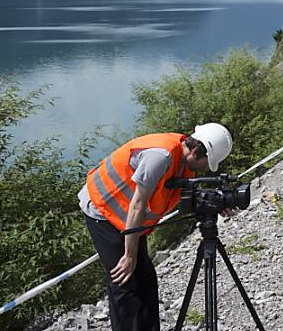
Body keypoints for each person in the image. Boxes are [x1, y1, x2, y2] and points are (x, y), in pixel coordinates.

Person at [78, 123, 233, 331]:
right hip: (102, 210)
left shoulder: (185, 163)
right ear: (196, 150)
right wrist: (130, 255)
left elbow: (177, 195)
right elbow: (137, 204)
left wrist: (216, 203)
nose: (206, 167)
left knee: (147, 279)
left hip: (129, 218)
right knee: (124, 281)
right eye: (207, 161)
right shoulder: (161, 157)